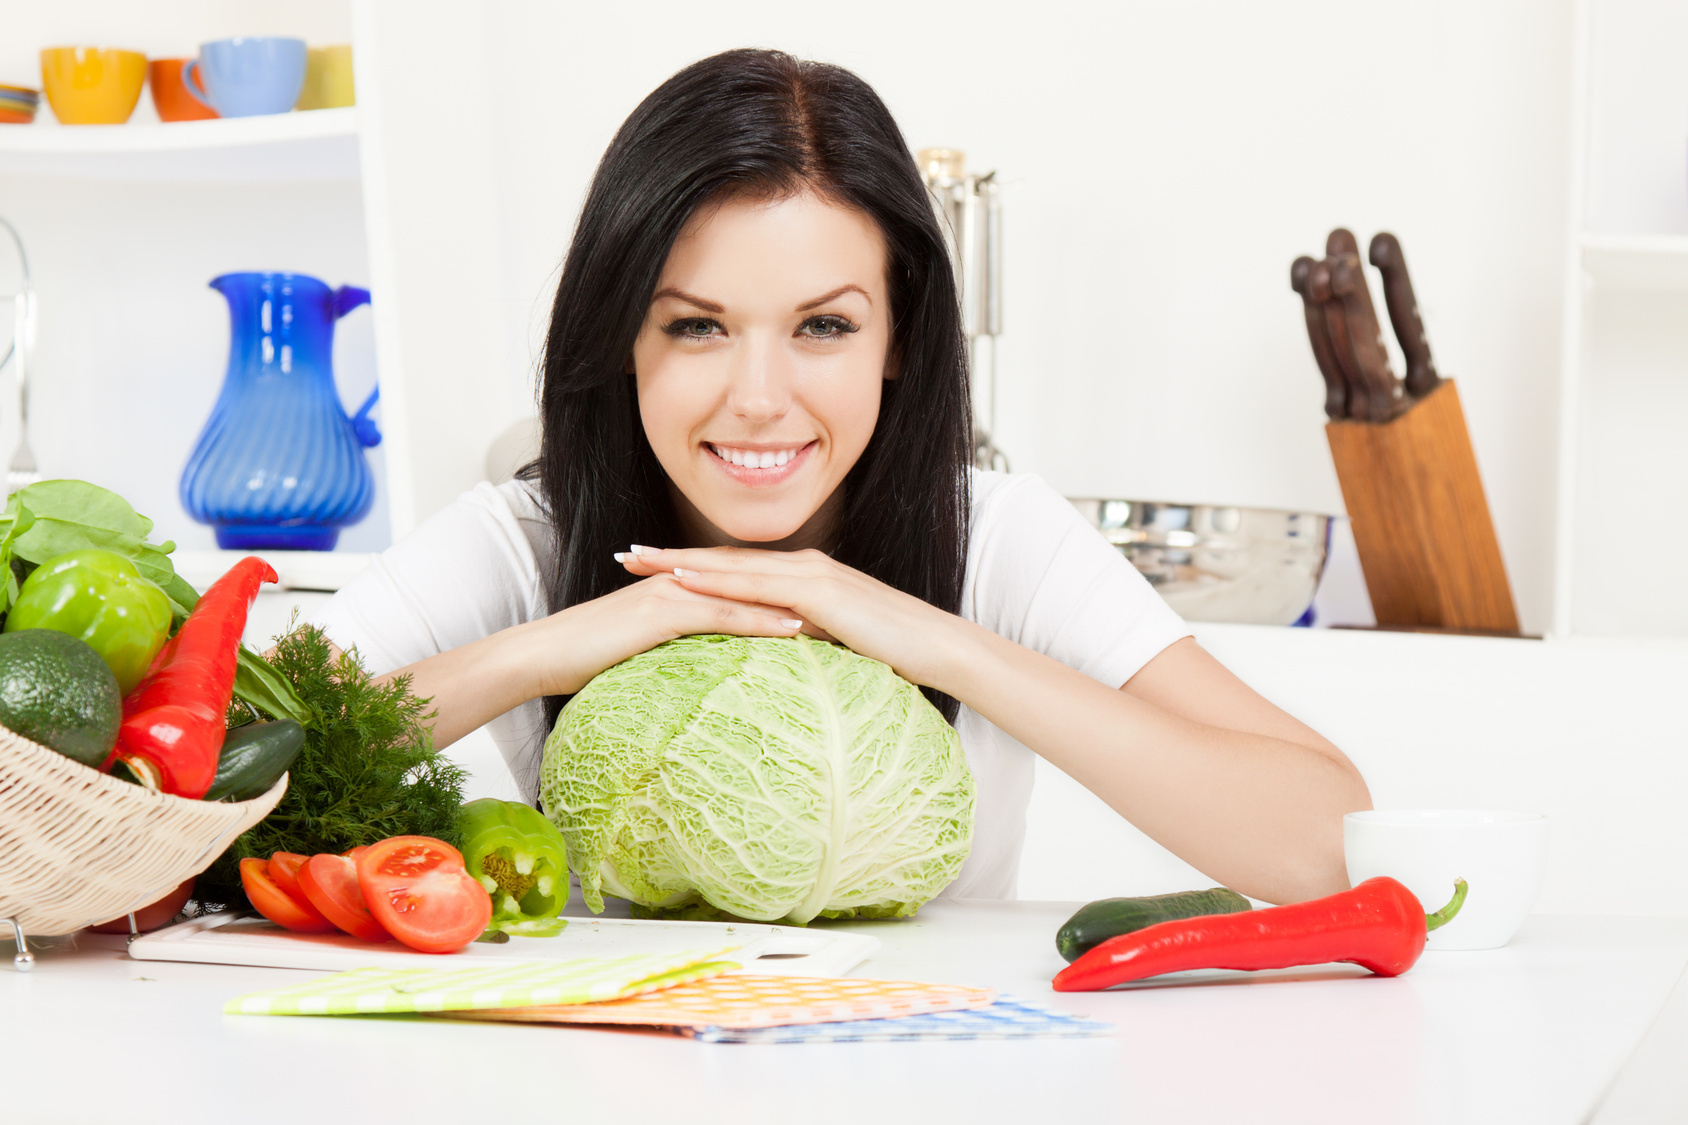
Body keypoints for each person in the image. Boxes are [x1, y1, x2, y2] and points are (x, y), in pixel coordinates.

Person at [309, 48, 1370, 906]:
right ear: (621, 335)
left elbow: (1330, 847)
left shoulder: (999, 538)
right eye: (696, 326)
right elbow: (205, 783)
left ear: (897, 336)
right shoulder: (523, 538)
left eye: (822, 325)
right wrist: (539, 653)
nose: (759, 396)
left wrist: (937, 640)